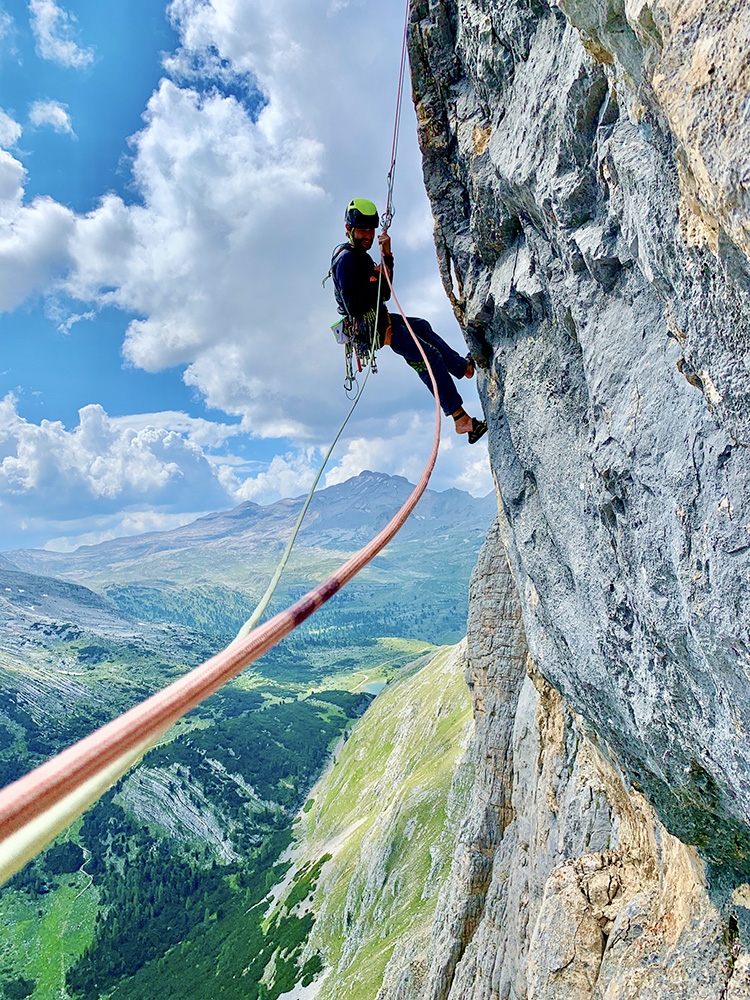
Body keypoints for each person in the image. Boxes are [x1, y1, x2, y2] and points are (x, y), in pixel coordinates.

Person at [330, 198, 487, 444]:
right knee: (427, 357)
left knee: (422, 326)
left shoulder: (358, 255)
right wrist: (378, 276)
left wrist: (386, 257)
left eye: (370, 230)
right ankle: (460, 419)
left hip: (378, 317)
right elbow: (356, 303)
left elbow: (384, 291)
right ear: (349, 229)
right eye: (362, 231)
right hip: (374, 328)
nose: (368, 236)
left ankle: (462, 368)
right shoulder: (348, 260)